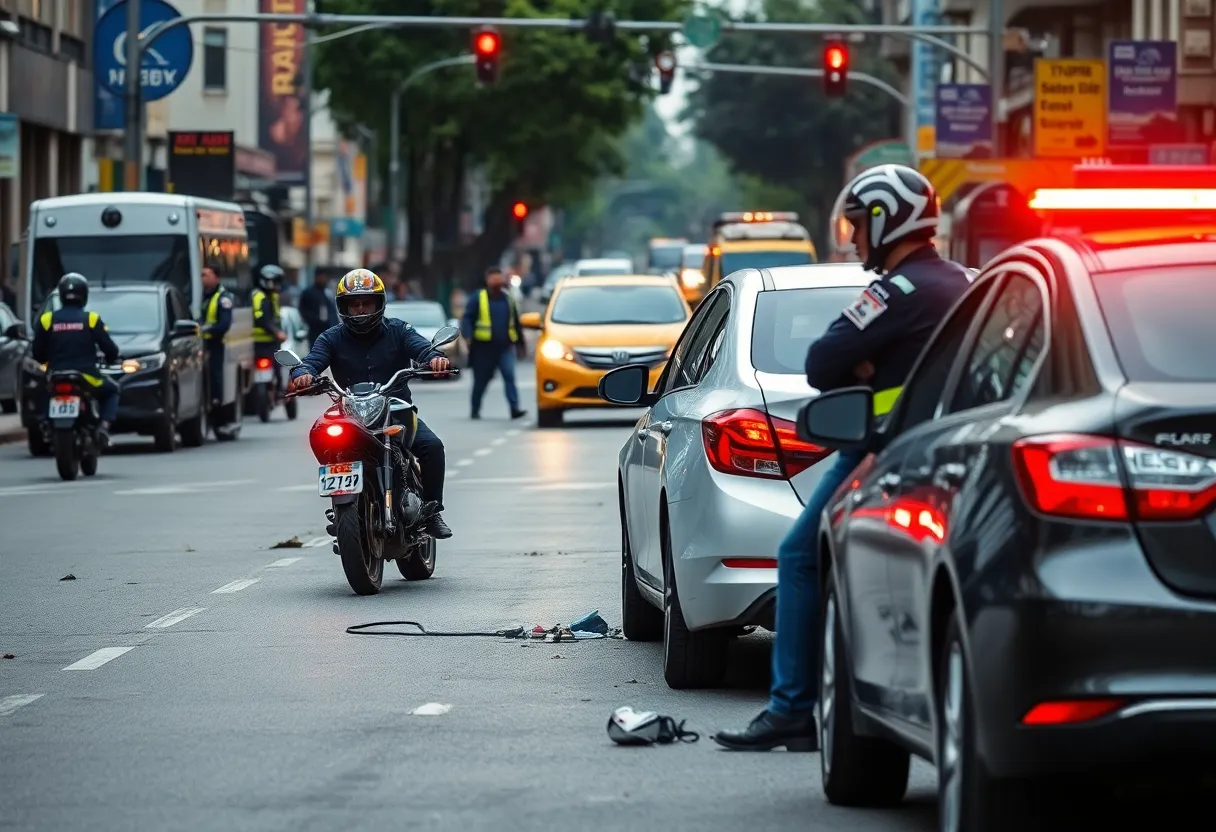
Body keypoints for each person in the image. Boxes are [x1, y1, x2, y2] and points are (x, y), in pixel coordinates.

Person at [714, 164, 972, 752]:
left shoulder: (896, 290)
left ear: (886, 220)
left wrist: (865, 366)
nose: (854, 238)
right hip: (945, 454)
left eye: (858, 225)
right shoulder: (962, 283)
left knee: (799, 555)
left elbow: (824, 362)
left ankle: (790, 709)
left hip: (877, 450)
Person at [288, 268, 454, 539]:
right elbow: (311, 361)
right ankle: (341, 496)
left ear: (380, 303)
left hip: (396, 410)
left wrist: (434, 358)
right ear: (344, 308)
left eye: (367, 302)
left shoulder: (399, 330)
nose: (361, 309)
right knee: (321, 433)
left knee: (432, 447)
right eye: (354, 304)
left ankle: (431, 511)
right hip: (350, 412)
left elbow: (422, 348)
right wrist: (302, 374)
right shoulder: (331, 337)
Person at [31, 273, 121, 445]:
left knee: (41, 388)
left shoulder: (47, 319)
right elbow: (109, 349)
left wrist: (46, 362)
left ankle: (44, 422)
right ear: (84, 295)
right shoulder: (91, 319)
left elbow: (37, 352)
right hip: (87, 376)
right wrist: (112, 358)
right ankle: (104, 425)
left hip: (55, 375)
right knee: (112, 390)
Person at [460, 266, 527, 421]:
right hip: (483, 349)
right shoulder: (478, 297)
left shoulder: (508, 299)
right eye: (493, 277)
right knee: (481, 380)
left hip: (504, 348)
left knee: (509, 376)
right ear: (487, 279)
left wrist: (520, 345)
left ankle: (514, 408)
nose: (497, 280)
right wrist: (468, 336)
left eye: (499, 277)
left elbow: (516, 323)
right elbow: (467, 319)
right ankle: (475, 408)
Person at [198, 265, 234, 414]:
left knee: (215, 375)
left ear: (216, 278)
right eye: (202, 275)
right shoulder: (201, 295)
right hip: (200, 344)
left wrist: (207, 330)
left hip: (214, 343)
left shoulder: (223, 297)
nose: (203, 278)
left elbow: (224, 324)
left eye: (206, 275)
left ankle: (217, 406)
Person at [252, 265, 288, 381]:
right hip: (260, 344)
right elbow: (261, 319)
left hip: (273, 343)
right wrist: (277, 332)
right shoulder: (258, 296)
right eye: (276, 282)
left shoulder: (273, 296)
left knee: (278, 372)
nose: (279, 285)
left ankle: (279, 393)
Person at [297, 269, 338, 347]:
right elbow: (302, 309)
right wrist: (312, 320)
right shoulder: (309, 292)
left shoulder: (327, 292)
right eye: (322, 277)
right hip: (315, 329)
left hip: (328, 327)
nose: (324, 279)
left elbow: (332, 310)